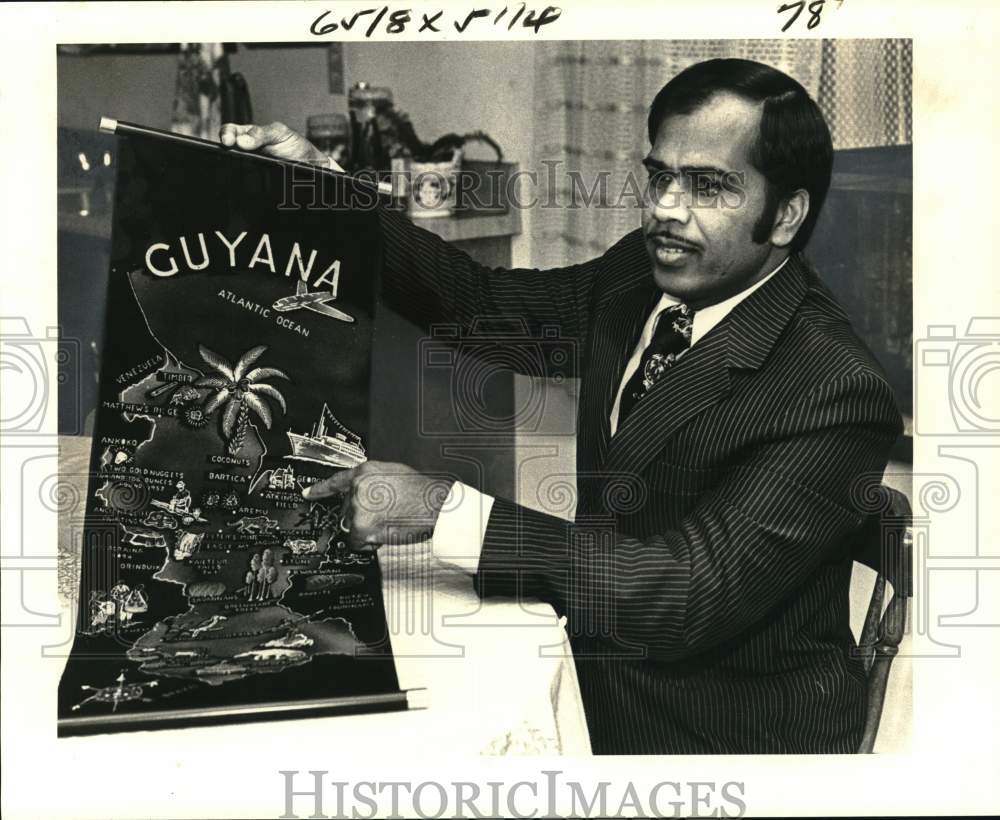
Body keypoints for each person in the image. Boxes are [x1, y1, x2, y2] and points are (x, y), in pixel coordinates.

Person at [221, 58, 902, 754]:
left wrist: (442, 510)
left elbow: (687, 594)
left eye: (708, 187)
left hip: (719, 735)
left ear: (785, 214)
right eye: (660, 177)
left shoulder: (833, 388)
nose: (667, 208)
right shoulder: (642, 273)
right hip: (596, 656)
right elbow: (483, 307)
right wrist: (330, 195)